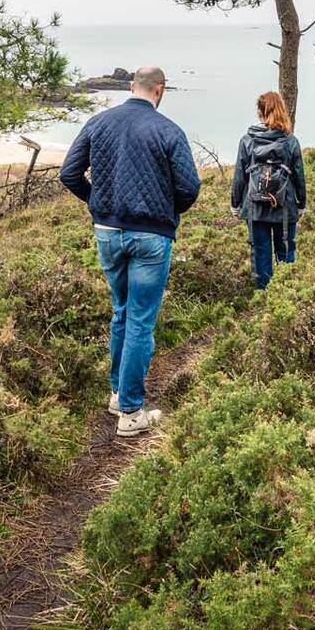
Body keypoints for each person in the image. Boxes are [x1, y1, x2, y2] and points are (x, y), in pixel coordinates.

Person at [59, 65, 200, 437]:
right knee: (140, 320)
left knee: (121, 311)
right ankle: (131, 412)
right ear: (160, 90)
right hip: (151, 235)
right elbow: (189, 188)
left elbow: (69, 173)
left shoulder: (98, 122)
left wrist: (98, 204)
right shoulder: (168, 131)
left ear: (131, 87)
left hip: (108, 232)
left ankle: (118, 393)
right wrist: (166, 211)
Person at [230, 90, 306, 291]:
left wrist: (235, 204)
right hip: (285, 207)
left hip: (255, 208)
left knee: (260, 254)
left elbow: (240, 176)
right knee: (286, 252)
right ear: (281, 109)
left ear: (260, 112)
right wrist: (301, 204)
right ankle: (286, 294)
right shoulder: (290, 141)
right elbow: (299, 176)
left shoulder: (247, 140)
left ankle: (264, 295)